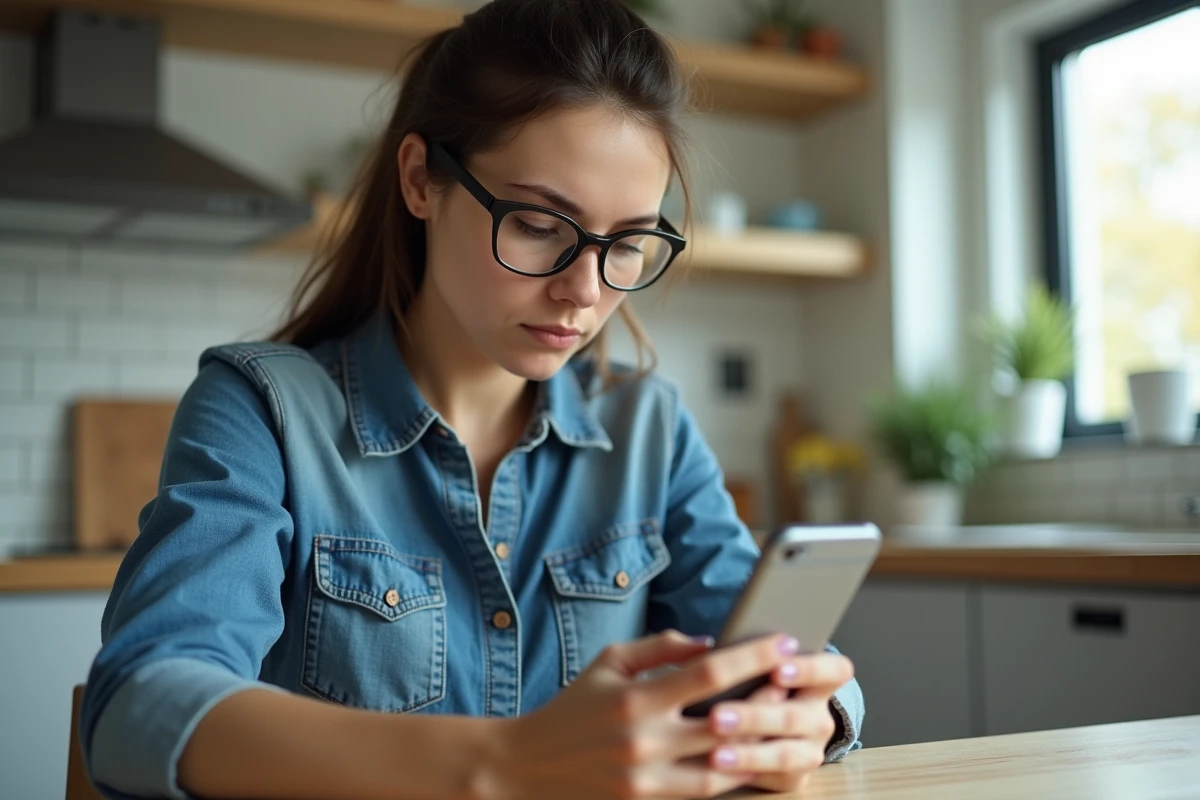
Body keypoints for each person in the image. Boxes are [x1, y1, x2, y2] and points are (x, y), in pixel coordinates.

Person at [80, 1, 864, 797]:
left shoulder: (649, 429)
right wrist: (502, 762)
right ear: (421, 180)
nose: (584, 291)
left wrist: (810, 712)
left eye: (627, 244)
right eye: (538, 225)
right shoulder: (261, 411)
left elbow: (793, 662)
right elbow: (138, 708)